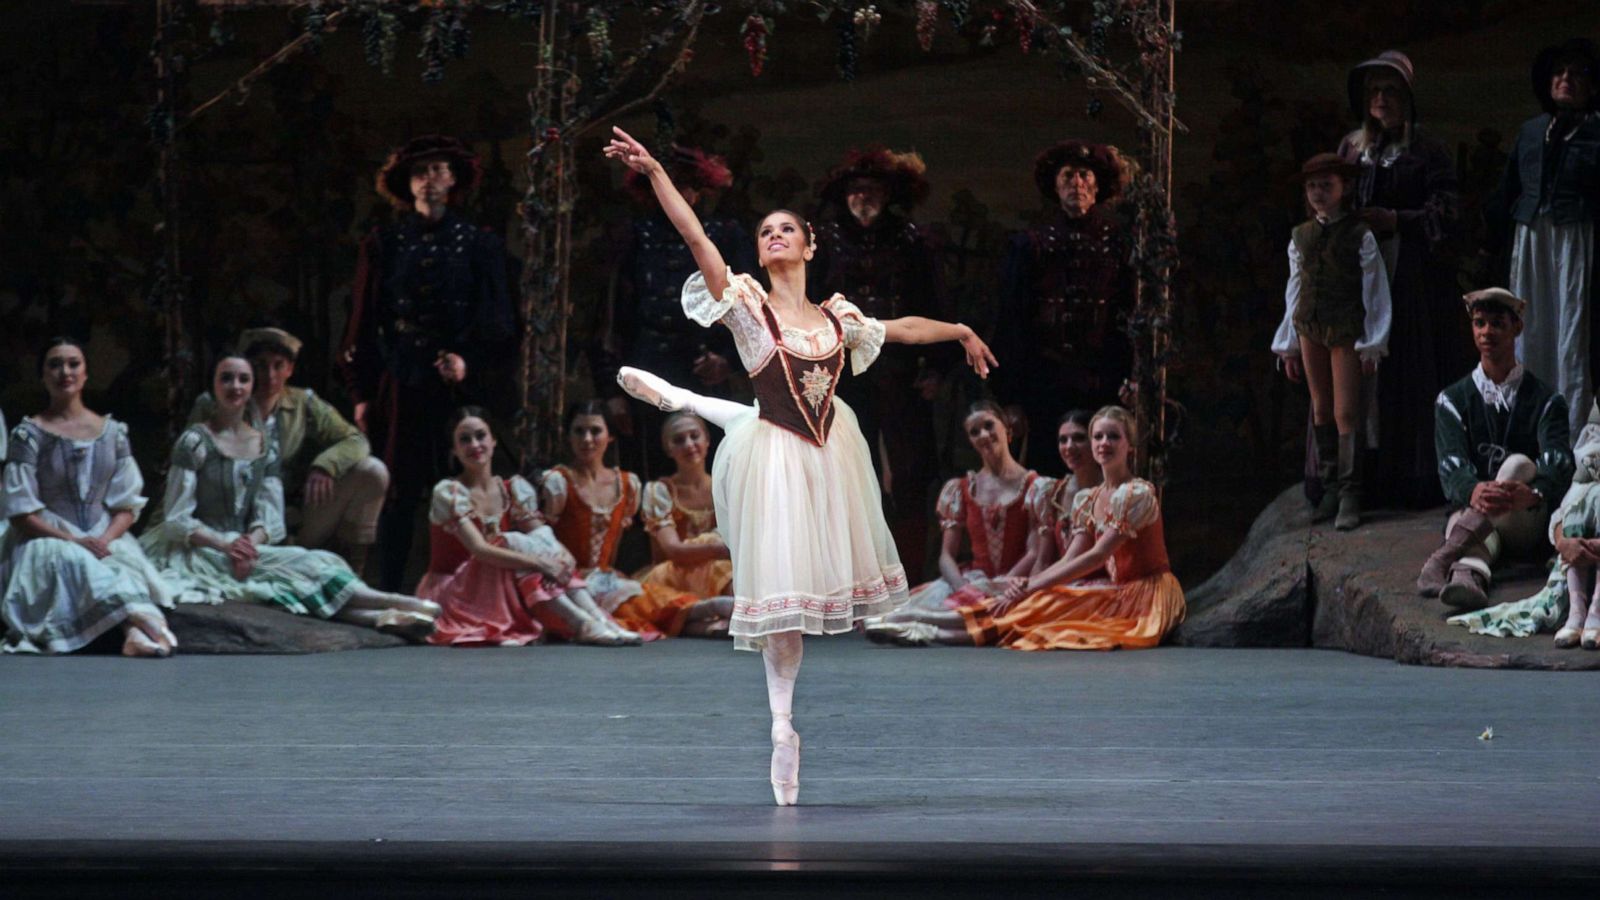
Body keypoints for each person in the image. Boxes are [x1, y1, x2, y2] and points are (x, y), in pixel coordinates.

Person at [604, 125, 998, 805]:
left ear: (812, 245)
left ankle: (686, 399)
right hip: (776, 457)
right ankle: (783, 726)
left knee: (817, 591)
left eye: (788, 229)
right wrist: (657, 173)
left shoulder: (838, 319)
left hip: (829, 454)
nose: (776, 237)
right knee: (780, 604)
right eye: (767, 232)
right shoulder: (750, 309)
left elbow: (901, 328)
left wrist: (958, 330)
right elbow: (697, 239)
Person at [142, 352, 441, 638]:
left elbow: (270, 517)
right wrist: (227, 545)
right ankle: (399, 605)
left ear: (251, 386)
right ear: (214, 385)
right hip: (194, 548)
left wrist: (250, 543)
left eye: (243, 379)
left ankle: (381, 615)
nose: (235, 387)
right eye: (227, 379)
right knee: (281, 580)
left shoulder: (263, 445)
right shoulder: (195, 441)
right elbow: (176, 519)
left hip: (244, 546)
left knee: (315, 563)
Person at [340, 134, 516, 591]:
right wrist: (361, 392)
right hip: (403, 377)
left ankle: (465, 590)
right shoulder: (386, 242)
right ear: (407, 183)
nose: (430, 181)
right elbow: (363, 320)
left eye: (439, 171)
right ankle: (394, 589)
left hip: (458, 382)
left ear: (454, 179)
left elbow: (496, 320)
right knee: (399, 488)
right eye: (421, 173)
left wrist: (467, 361)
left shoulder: (479, 243)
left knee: (462, 483)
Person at [865, 406, 1184, 651]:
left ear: (1130, 445)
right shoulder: (1089, 498)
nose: (1103, 443)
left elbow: (1097, 555)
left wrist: (1032, 586)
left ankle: (924, 628)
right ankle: (914, 623)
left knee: (1042, 606)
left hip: (1145, 592)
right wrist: (1030, 584)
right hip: (1112, 588)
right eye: (1098, 436)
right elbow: (1071, 558)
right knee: (1036, 600)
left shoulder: (1136, 493)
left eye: (1112, 436)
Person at [1337, 50, 1467, 508]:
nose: (1381, 100)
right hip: (1361, 273)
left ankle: (1409, 477)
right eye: (1374, 91)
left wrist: (1397, 219)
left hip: (1409, 274)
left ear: (1407, 98)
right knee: (1362, 377)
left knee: (1406, 372)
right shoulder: (1352, 148)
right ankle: (1360, 480)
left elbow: (1448, 211)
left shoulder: (1425, 149)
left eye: (1390, 91)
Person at [810, 146, 947, 575]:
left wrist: (938, 367)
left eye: (872, 191)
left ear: (888, 195)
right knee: (847, 473)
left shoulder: (913, 240)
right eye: (856, 191)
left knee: (908, 474)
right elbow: (807, 304)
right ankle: (854, 577)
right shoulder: (825, 240)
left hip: (903, 374)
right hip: (844, 378)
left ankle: (909, 573)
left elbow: (936, 304)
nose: (863, 198)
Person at [1, 338, 176, 657]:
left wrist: (104, 539)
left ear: (85, 373)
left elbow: (126, 506)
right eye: (54, 364)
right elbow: (20, 514)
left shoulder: (113, 433)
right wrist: (74, 540)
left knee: (116, 562)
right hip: (46, 534)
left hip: (102, 533)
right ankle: (144, 626)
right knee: (72, 560)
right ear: (43, 375)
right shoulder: (28, 435)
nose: (64, 371)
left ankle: (136, 632)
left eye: (73, 363)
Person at [595, 144, 754, 480]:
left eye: (686, 185)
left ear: (699, 191)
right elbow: (611, 314)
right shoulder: (634, 236)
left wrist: (727, 360)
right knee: (650, 461)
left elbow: (750, 307)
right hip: (648, 363)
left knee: (715, 461)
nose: (679, 193)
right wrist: (612, 388)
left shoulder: (724, 234)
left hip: (704, 366)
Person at [417, 407, 639, 647]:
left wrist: (558, 555)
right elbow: (480, 549)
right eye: (464, 439)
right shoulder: (448, 492)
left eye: (481, 436)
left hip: (495, 589)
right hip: (453, 593)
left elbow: (540, 534)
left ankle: (598, 619)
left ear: (493, 440)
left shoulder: (511, 488)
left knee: (540, 543)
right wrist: (541, 562)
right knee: (515, 543)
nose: (475, 444)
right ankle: (582, 623)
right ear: (454, 450)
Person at [1417, 289, 1572, 610]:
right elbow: (1451, 467)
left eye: (1498, 323)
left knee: (1516, 464)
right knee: (1468, 528)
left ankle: (1445, 557)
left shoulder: (1546, 399)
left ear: (1516, 328)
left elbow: (1558, 463)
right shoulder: (1452, 400)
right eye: (1480, 323)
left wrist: (1534, 494)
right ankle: (1466, 580)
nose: (1487, 332)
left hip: (1525, 518)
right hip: (1474, 515)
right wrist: (1473, 489)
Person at [190, 327, 388, 573]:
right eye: (261, 365)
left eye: (278, 365)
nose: (270, 375)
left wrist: (326, 465)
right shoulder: (215, 403)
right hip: (229, 518)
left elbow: (356, 440)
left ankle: (352, 565)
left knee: (372, 470)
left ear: (290, 369)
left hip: (287, 516)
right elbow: (190, 466)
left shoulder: (302, 403)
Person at [993, 140, 1133, 476]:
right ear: (1055, 185)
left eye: (1085, 176)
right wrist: (1010, 394)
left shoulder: (1120, 242)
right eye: (1068, 176)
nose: (1077, 184)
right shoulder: (1031, 243)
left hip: (1105, 379)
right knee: (1049, 468)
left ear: (1098, 185)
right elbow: (1012, 318)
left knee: (1107, 467)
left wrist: (1132, 372)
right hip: (1047, 380)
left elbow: (1132, 312)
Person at [1272, 152, 1392, 530]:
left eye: (1327, 185)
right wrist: (1289, 342)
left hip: (1345, 329)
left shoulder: (1359, 234)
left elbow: (1375, 289)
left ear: (1345, 188)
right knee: (1321, 407)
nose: (1319, 193)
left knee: (1345, 412)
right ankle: (1328, 489)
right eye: (1312, 187)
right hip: (1310, 327)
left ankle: (1350, 494)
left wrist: (1372, 341)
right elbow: (1295, 289)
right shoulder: (1301, 236)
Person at [1486, 38, 1600, 435]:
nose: (1566, 79)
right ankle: (1529, 429)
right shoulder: (1532, 131)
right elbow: (1508, 190)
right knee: (1530, 328)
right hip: (1531, 237)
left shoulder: (1596, 132)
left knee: (1572, 332)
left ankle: (1570, 436)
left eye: (1576, 74)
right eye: (1559, 73)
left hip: (1576, 240)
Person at [1450, 407, 1600, 646]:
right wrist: (1564, 543)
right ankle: (1577, 612)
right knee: (1582, 503)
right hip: (1570, 547)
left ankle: (1596, 612)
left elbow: (1554, 470)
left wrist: (1535, 494)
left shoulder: (1543, 399)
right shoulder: (1589, 477)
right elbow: (1564, 510)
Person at [899, 401, 1038, 611]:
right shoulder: (961, 489)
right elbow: (946, 556)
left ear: (1007, 428)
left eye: (989, 426)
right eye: (974, 432)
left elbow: (1035, 552)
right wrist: (962, 588)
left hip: (1016, 581)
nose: (983, 435)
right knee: (911, 613)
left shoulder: (1034, 487)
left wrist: (1000, 586)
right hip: (975, 580)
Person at [614, 412, 737, 638]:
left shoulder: (726, 487)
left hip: (717, 568)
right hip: (672, 572)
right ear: (668, 449)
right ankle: (724, 612)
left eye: (694, 436)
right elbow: (674, 551)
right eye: (679, 440)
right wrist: (725, 549)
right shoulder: (660, 491)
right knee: (715, 547)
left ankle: (710, 622)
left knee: (726, 567)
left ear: (707, 441)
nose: (689, 444)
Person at [538, 402, 651, 644]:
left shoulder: (626, 484)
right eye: (579, 431)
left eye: (595, 431)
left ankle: (719, 615)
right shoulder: (558, 482)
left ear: (610, 436)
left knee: (652, 604)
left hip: (606, 578)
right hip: (567, 580)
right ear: (568, 436)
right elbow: (543, 539)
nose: (587, 439)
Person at [1027, 410, 1105, 579]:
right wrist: (1028, 591)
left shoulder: (1110, 492)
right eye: (1063, 440)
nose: (1069, 446)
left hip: (1099, 587)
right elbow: (1043, 560)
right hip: (1058, 582)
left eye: (1079, 438)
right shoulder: (1052, 493)